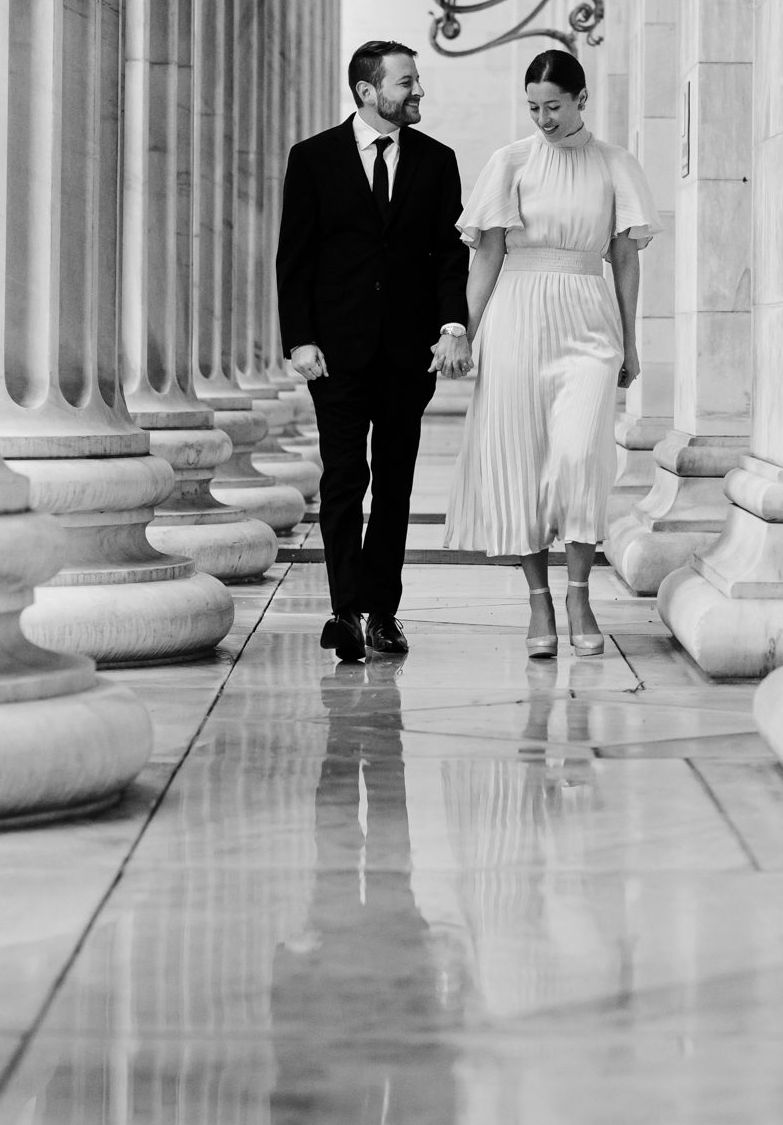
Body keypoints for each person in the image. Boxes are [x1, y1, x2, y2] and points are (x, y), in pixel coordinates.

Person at [442, 49, 660, 657]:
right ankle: (539, 602)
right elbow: (486, 254)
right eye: (533, 107)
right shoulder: (509, 161)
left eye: (554, 106)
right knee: (521, 459)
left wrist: (631, 340)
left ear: (582, 99)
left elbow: (625, 259)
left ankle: (579, 596)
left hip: (588, 318)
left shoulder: (615, 164)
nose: (543, 119)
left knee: (579, 455)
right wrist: (463, 331)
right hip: (516, 318)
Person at [277, 40, 472, 663]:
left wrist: (452, 325)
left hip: (408, 354)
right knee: (343, 479)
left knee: (394, 484)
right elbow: (295, 255)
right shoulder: (313, 158)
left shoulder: (437, 160)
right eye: (406, 82)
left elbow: (450, 255)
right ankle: (345, 612)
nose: (418, 92)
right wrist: (299, 338)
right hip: (335, 354)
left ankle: (383, 613)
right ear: (368, 91)